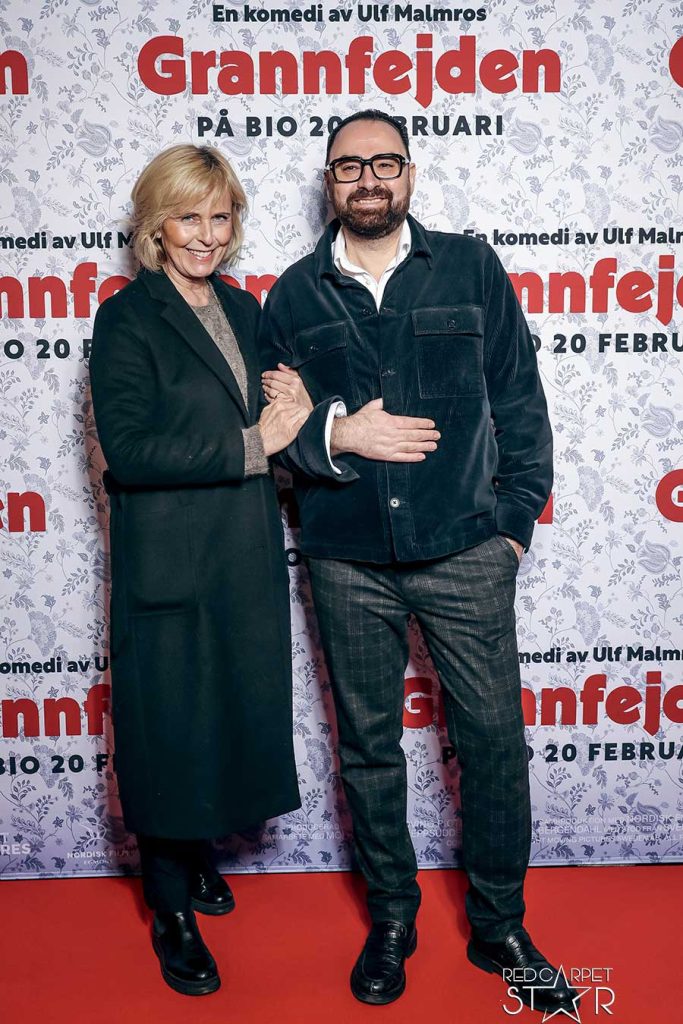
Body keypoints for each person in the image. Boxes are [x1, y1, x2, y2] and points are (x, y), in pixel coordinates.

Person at [260, 110, 578, 1016]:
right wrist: (335, 437)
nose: (367, 178)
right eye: (347, 165)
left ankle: (499, 925)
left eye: (384, 162)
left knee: (492, 742)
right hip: (346, 558)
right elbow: (276, 436)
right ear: (328, 181)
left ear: (409, 172)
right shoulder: (291, 297)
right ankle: (392, 919)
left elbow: (520, 405)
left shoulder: (471, 268)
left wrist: (508, 530)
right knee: (368, 748)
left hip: (465, 549)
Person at [89, 144, 309, 997]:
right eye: (189, 217)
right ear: (155, 225)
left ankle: (197, 853)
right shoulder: (126, 317)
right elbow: (132, 451)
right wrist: (256, 443)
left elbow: (280, 418)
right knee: (169, 729)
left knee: (225, 718)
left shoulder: (245, 309)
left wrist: (297, 411)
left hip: (242, 556)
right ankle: (170, 906)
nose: (207, 235)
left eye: (221, 217)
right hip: (169, 562)